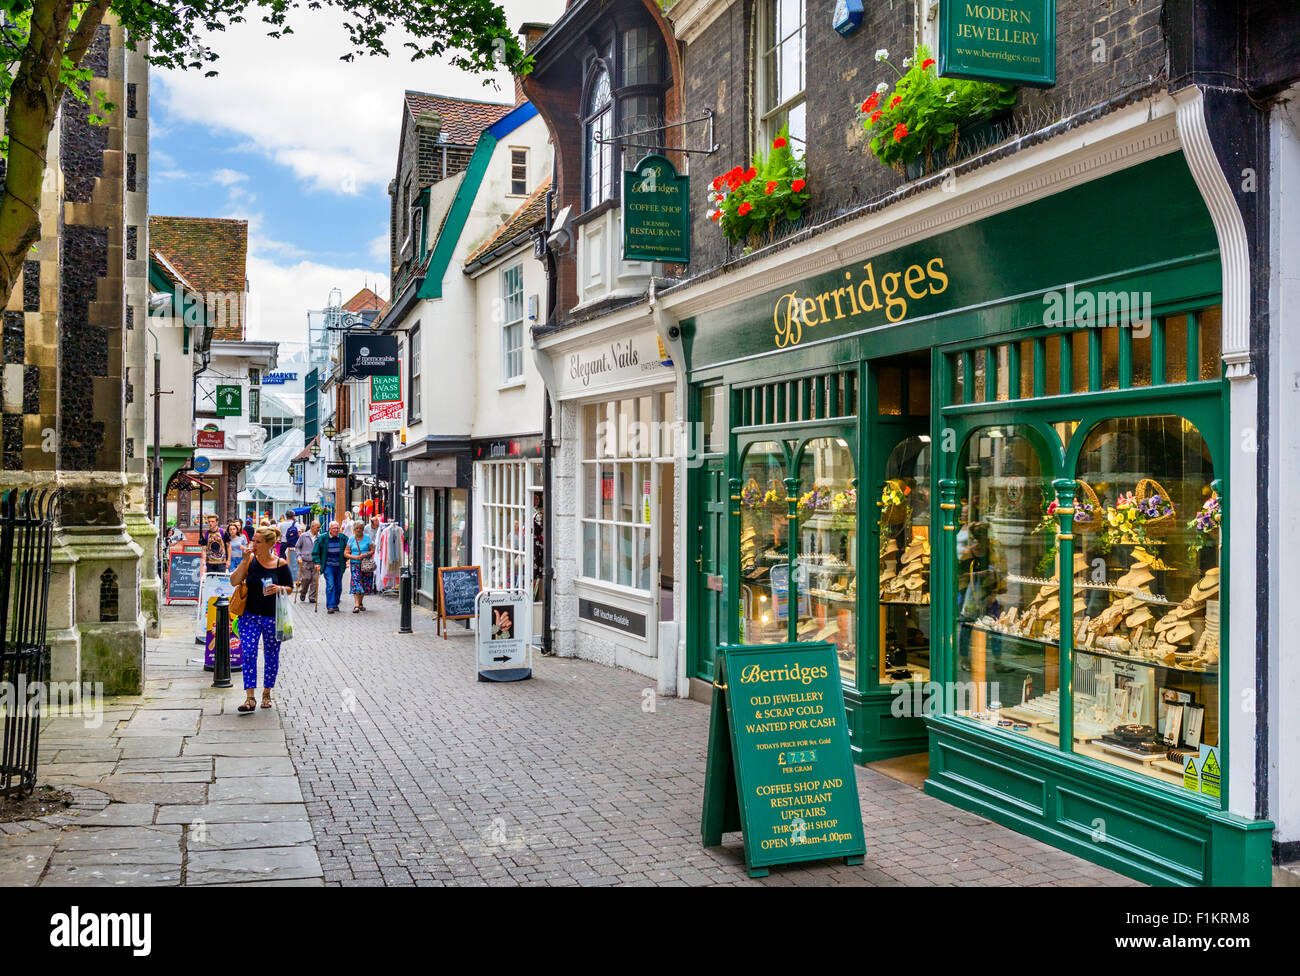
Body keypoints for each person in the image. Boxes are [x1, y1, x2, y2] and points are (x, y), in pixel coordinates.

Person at [230, 525, 293, 713]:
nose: (253, 544)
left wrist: (279, 588)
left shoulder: (280, 564)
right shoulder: (250, 560)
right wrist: (243, 561)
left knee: (271, 655)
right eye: (253, 541)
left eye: (257, 542)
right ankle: (250, 698)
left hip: (272, 617)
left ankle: (266, 692)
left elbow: (290, 587)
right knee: (248, 653)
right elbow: (234, 581)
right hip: (249, 616)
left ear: (268, 544)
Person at [313, 521, 347, 613]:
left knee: (338, 586)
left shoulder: (343, 538)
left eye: (337, 528)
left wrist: (348, 559)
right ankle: (330, 606)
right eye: (334, 528)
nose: (336, 530)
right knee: (331, 585)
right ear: (329, 529)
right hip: (328, 566)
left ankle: (335, 604)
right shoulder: (323, 538)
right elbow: (316, 552)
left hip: (339, 566)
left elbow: (348, 549)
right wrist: (317, 562)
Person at [346, 521, 375, 612]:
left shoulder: (367, 538)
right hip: (355, 564)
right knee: (356, 583)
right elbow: (346, 553)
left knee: (365, 584)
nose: (359, 530)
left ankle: (360, 603)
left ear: (363, 529)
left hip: (366, 564)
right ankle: (356, 605)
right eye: (357, 528)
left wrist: (365, 554)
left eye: (360, 528)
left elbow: (372, 550)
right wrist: (354, 557)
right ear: (354, 529)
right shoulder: (351, 539)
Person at [296, 520, 319, 603]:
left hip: (316, 561)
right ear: (312, 527)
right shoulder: (303, 536)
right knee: (306, 578)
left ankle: (312, 597)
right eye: (317, 527)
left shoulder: (319, 537)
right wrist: (299, 556)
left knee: (314, 580)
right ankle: (303, 592)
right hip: (305, 561)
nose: (319, 529)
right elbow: (297, 547)